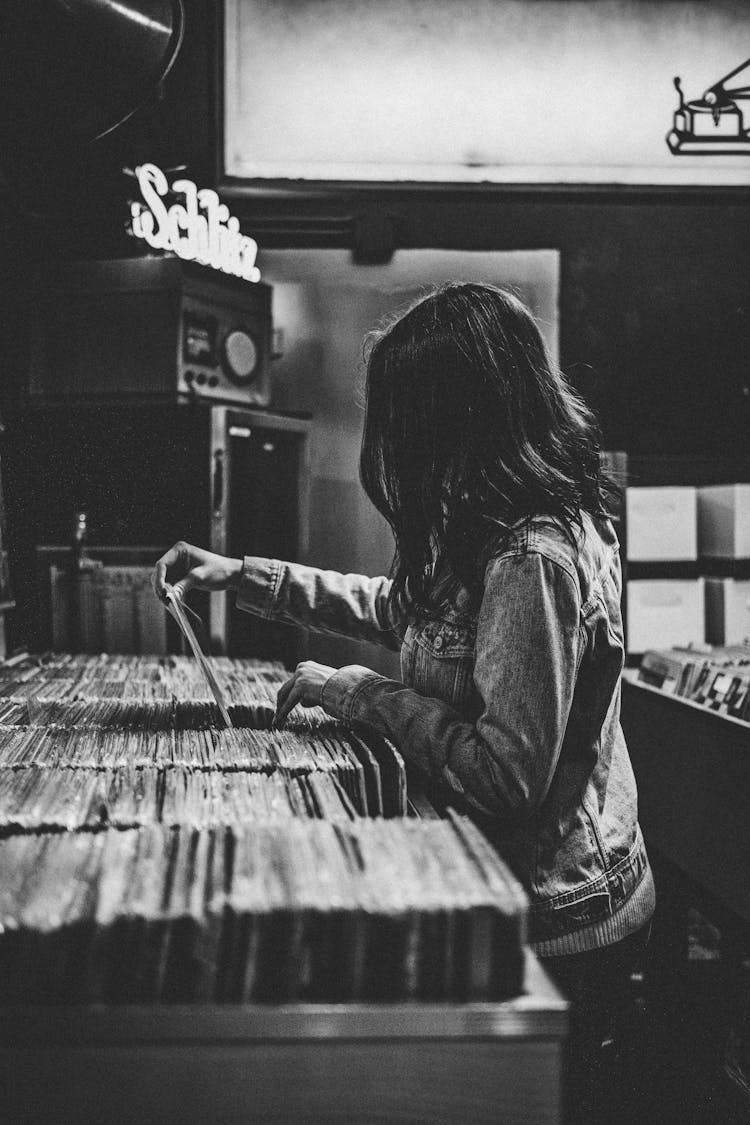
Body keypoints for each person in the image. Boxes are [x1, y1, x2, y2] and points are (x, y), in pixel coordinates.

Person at [153, 282, 654, 1119]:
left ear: (465, 415)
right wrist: (242, 575)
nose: (399, 449)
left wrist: (358, 695)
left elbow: (505, 774)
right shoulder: (489, 515)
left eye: (411, 423)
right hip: (522, 889)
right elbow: (398, 608)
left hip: (563, 920)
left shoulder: (532, 555)